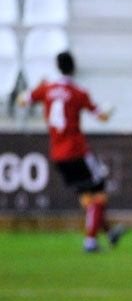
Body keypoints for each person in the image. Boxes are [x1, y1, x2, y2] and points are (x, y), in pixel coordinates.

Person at [17, 51, 124, 253]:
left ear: (57, 67)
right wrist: (109, 110)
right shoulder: (78, 92)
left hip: (58, 154)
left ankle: (109, 234)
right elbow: (101, 117)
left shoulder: (47, 88)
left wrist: (37, 87)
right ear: (73, 68)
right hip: (77, 150)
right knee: (99, 193)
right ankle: (91, 242)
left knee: (86, 198)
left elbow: (22, 101)